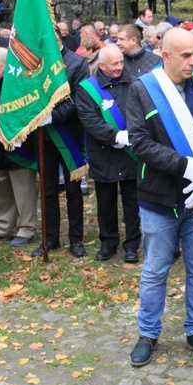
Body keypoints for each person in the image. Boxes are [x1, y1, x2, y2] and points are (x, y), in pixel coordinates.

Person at [127, 28, 193, 367]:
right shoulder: (142, 90)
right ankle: (148, 333)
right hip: (159, 198)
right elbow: (140, 144)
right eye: (186, 56)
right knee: (155, 270)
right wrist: (186, 167)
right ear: (165, 55)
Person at [76, 44, 141, 263]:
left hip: (130, 153)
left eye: (121, 62)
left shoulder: (133, 83)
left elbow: (139, 114)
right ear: (101, 65)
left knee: (132, 203)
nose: (119, 67)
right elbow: (89, 120)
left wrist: (129, 136)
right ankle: (108, 243)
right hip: (104, 153)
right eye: (115, 64)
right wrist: (114, 136)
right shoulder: (87, 89)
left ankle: (132, 245)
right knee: (105, 202)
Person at [31, 33, 89, 258]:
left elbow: (78, 98)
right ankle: (50, 238)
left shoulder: (77, 62)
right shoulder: (36, 64)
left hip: (69, 134)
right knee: (48, 190)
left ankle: (76, 239)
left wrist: (53, 116)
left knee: (74, 191)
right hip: (42, 137)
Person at [0, 48, 38, 248]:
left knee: (23, 188)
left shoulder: (22, 83)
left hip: (19, 147)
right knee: (1, 186)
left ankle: (26, 228)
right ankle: (4, 226)